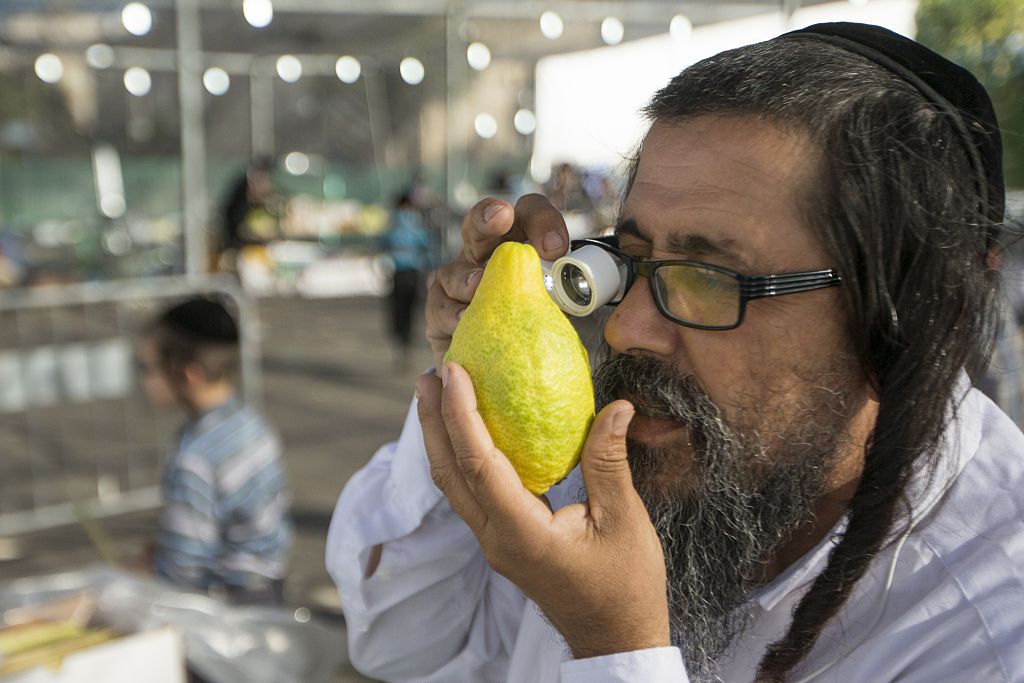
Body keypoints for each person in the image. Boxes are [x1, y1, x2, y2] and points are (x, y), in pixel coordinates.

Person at [326, 22, 1024, 682]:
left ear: (914, 315)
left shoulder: (993, 629)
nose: (627, 329)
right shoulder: (633, 451)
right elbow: (405, 641)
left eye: (707, 278)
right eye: (631, 260)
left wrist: (614, 645)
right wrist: (475, 378)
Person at [139, 296, 292, 605]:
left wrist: (140, 570)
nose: (144, 381)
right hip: (268, 586)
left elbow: (184, 565)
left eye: (148, 368)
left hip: (226, 605)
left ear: (189, 374)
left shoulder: (194, 457)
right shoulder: (252, 424)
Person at [381, 191, 431, 368]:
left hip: (397, 272)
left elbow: (382, 243)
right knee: (410, 310)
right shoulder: (415, 222)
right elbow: (425, 245)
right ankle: (406, 342)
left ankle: (400, 341)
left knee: (398, 309)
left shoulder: (393, 222)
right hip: (413, 271)